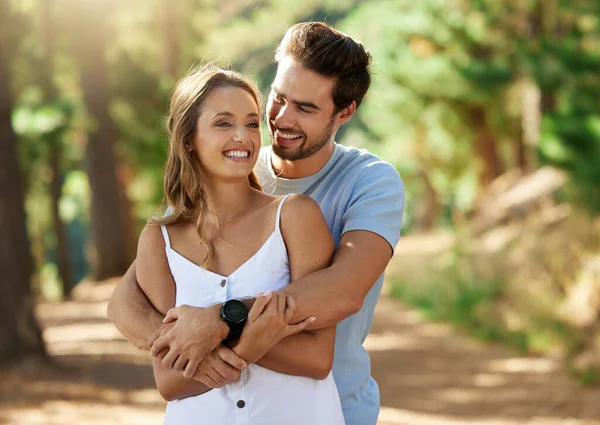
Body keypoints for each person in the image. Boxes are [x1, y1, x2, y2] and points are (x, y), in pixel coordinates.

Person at [108, 22, 405, 425]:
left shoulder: (369, 181)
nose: (280, 119)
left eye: (306, 108)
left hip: (334, 406)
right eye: (278, 97)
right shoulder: (232, 167)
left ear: (345, 111)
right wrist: (177, 342)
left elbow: (344, 291)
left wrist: (219, 321)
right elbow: (129, 293)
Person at [133, 63, 345, 424]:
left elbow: (317, 358)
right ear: (189, 139)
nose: (243, 137)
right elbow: (169, 380)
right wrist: (252, 341)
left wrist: (213, 333)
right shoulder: (158, 240)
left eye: (251, 123)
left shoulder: (295, 217)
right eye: (223, 123)